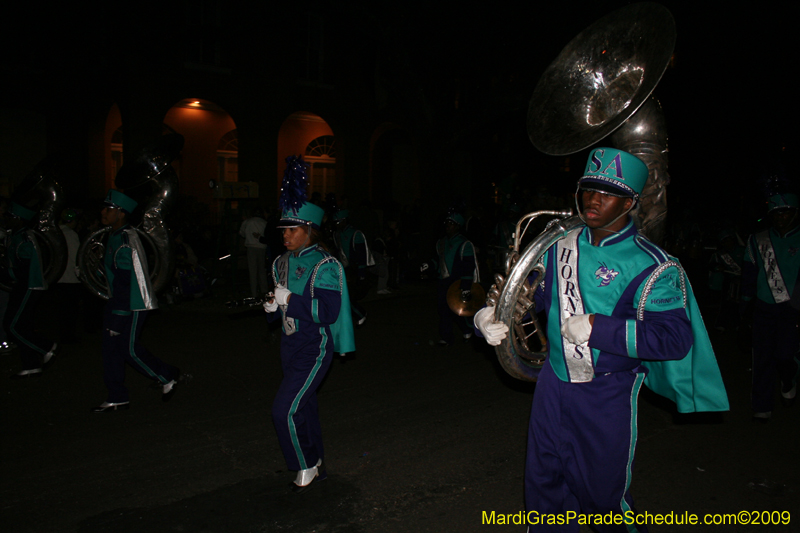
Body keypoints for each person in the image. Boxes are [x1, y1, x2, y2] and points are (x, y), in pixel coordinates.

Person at [475, 147, 728, 531]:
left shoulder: (653, 265)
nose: (592, 200)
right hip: (552, 385)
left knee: (602, 499)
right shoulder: (558, 245)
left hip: (606, 394)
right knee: (543, 489)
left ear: (630, 202)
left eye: (606, 193)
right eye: (588, 189)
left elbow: (674, 340)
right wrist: (491, 316)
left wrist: (598, 327)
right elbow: (532, 298)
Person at [264, 157, 355, 493]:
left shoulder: (325, 264)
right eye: (283, 230)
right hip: (289, 346)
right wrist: (273, 306)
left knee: (284, 410)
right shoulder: (280, 262)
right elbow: (279, 314)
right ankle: (317, 461)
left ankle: (304, 464)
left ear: (309, 230)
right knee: (305, 406)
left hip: (315, 346)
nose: (285, 236)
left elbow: (327, 312)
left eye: (292, 230)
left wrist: (289, 300)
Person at [92, 190, 180, 412]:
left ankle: (166, 375)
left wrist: (119, 314)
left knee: (127, 348)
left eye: (109, 209)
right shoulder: (114, 235)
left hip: (132, 303)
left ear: (121, 214)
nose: (103, 212)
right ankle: (117, 395)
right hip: (120, 301)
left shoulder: (125, 238)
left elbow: (127, 280)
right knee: (111, 349)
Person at [741, 192, 799, 422]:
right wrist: (744, 306)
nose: (780, 218)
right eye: (775, 213)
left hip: (793, 309)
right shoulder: (758, 239)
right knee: (762, 357)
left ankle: (789, 379)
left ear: (794, 213)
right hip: (764, 307)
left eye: (785, 212)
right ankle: (762, 405)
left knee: (785, 354)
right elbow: (748, 273)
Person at [5, 202, 57, 378]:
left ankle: (46, 347)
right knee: (22, 325)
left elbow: (25, 268)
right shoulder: (17, 235)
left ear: (19, 219)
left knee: (11, 326)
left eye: (10, 216)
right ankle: (31, 364)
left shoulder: (24, 238)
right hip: (22, 284)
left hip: (28, 285)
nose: (6, 219)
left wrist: (7, 273)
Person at [433, 212, 479, 346]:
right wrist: (429, 265)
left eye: (451, 224)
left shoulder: (465, 244)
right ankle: (446, 337)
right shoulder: (441, 243)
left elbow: (468, 266)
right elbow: (438, 261)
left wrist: (466, 286)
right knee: (443, 310)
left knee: (457, 311)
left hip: (457, 283)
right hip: (443, 282)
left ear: (458, 226)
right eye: (446, 223)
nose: (447, 226)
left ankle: (467, 329)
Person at [332, 209, 373, 324]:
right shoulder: (336, 234)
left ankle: (359, 314)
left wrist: (361, 274)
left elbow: (361, 256)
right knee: (341, 295)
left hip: (353, 270)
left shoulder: (355, 233)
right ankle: (356, 314)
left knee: (345, 296)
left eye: (338, 222)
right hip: (342, 269)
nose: (336, 224)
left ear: (344, 220)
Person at [239, 207, 269, 299]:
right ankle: (264, 291)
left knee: (252, 271)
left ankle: (254, 292)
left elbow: (242, 233)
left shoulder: (247, 222)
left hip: (251, 247)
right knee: (262, 270)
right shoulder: (264, 223)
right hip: (262, 248)